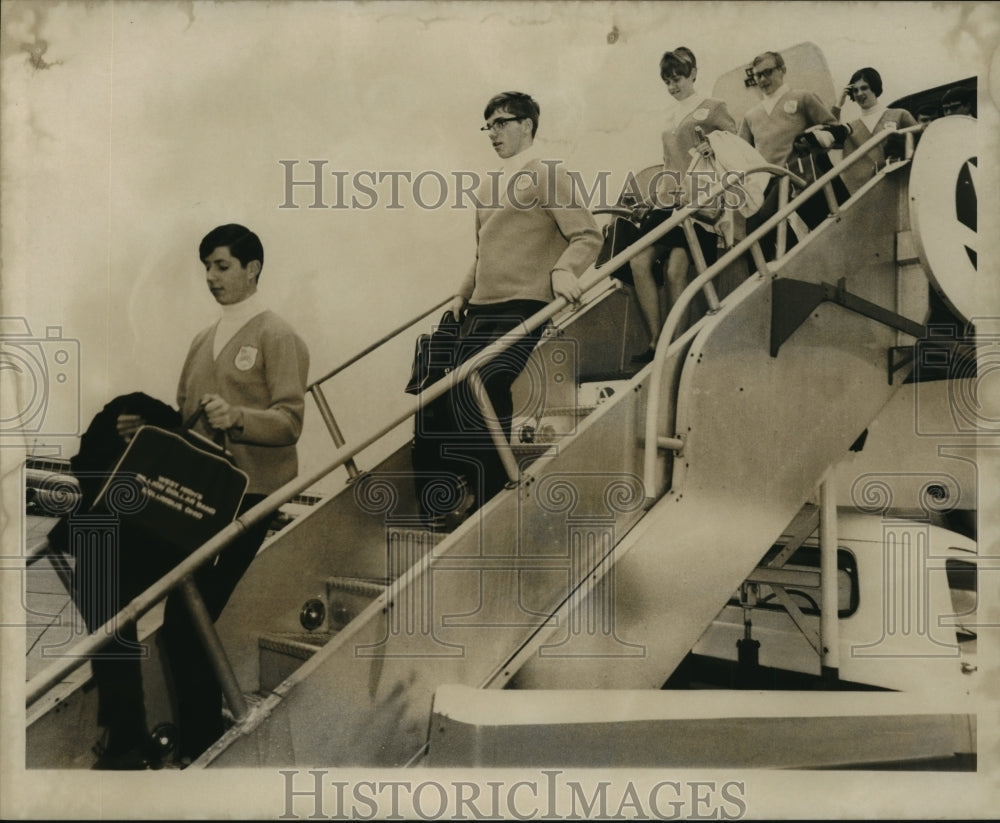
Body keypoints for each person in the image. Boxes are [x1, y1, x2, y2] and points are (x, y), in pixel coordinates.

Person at [108, 224, 310, 766]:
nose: (212, 277)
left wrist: (238, 417)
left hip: (250, 498)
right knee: (176, 620)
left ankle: (205, 748)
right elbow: (186, 423)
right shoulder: (203, 340)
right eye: (207, 267)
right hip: (201, 499)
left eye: (222, 266)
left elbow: (290, 422)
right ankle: (204, 742)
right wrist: (145, 428)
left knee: (184, 622)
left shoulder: (277, 336)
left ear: (252, 269)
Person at [423, 92, 601, 517]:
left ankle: (493, 496)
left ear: (527, 125)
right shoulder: (488, 187)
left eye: (502, 123)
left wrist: (564, 270)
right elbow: (483, 252)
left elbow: (587, 235)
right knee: (442, 391)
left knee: (484, 381)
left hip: (523, 304)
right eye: (489, 125)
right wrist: (460, 294)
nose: (493, 133)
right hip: (480, 307)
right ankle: (459, 492)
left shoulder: (546, 174)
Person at [628, 47, 737, 364]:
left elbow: (735, 145)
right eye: (668, 81)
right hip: (668, 202)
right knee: (638, 261)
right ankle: (655, 340)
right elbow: (667, 163)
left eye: (677, 78)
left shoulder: (714, 107)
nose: (673, 86)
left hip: (699, 203)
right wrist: (654, 198)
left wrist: (713, 144)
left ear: (693, 74)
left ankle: (674, 346)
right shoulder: (669, 118)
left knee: (677, 270)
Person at [737, 50, 839, 257]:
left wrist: (811, 137)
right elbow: (741, 153)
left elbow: (831, 128)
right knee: (753, 227)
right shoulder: (750, 116)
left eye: (768, 72)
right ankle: (779, 267)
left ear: (782, 70)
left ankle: (792, 258)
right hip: (766, 183)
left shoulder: (802, 98)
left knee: (766, 220)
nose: (763, 79)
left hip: (796, 177)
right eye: (758, 75)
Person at [829, 67, 917, 194]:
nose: (859, 93)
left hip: (898, 187)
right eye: (855, 90)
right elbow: (829, 133)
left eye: (864, 88)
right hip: (864, 194)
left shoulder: (899, 115)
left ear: (874, 88)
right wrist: (838, 104)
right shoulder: (850, 127)